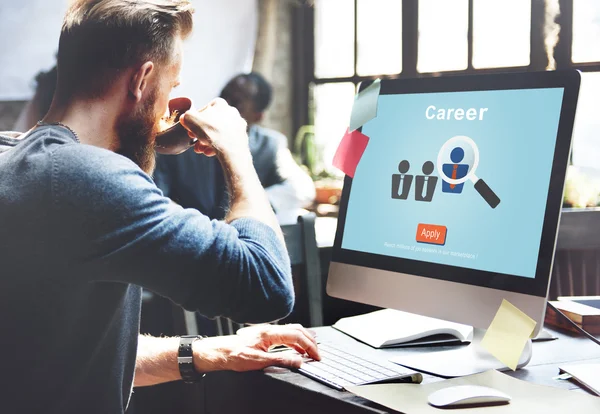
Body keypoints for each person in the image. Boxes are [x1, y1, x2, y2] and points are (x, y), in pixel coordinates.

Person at [0, 1, 319, 413]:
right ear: (142, 79)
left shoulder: (16, 157)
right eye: (171, 86)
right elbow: (268, 286)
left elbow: (63, 354)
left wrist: (213, 351)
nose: (169, 105)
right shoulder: (86, 177)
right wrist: (237, 151)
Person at [153, 72, 316, 223]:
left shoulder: (270, 145)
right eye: (223, 96)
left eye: (236, 102)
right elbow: (157, 196)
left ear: (258, 116)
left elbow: (302, 189)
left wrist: (249, 205)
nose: (224, 104)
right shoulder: (182, 141)